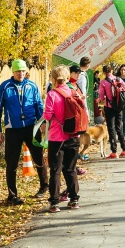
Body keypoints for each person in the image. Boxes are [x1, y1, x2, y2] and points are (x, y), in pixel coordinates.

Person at [0, 59, 48, 204]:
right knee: (11, 163)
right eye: (18, 71)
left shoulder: (32, 86)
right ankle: (12, 195)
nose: (21, 74)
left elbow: (39, 106)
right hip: (13, 129)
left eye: (23, 71)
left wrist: (42, 123)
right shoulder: (5, 87)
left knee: (38, 157)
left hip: (31, 127)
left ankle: (44, 186)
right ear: (13, 71)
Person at [42, 65, 81, 213]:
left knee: (56, 170)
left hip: (57, 138)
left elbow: (47, 115)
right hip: (73, 137)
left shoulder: (52, 94)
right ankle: (74, 199)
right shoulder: (74, 92)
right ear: (66, 77)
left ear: (53, 78)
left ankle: (54, 203)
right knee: (70, 169)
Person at [98, 64, 125, 159]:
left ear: (104, 72)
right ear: (112, 71)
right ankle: (124, 150)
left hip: (109, 107)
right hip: (119, 107)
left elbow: (101, 96)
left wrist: (103, 99)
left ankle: (114, 152)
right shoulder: (119, 79)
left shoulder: (103, 82)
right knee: (119, 127)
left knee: (111, 129)